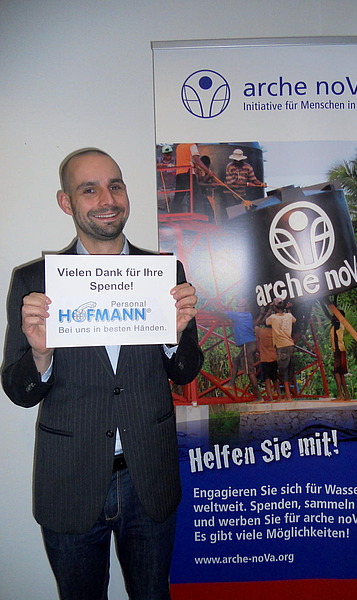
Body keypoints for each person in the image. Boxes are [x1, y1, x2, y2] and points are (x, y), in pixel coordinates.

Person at [1, 148, 204, 600]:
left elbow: (186, 371)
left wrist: (174, 338)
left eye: (115, 186)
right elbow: (19, 390)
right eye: (89, 190)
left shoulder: (164, 274)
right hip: (69, 480)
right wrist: (41, 354)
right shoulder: (35, 281)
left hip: (148, 477)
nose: (107, 199)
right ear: (66, 202)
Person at [222, 299, 263, 402]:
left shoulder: (237, 315)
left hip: (246, 344)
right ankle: (231, 383)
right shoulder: (248, 315)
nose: (238, 307)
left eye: (239, 306)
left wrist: (217, 308)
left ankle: (259, 397)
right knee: (236, 361)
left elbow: (222, 313)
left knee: (249, 371)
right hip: (251, 343)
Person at [265, 298, 296, 401]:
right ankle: (288, 395)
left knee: (283, 371)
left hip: (281, 346)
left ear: (274, 307)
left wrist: (270, 309)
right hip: (290, 344)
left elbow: (265, 321)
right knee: (289, 370)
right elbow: (294, 320)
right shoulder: (289, 316)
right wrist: (289, 309)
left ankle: (288, 396)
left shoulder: (273, 318)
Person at [254, 306, 279, 402]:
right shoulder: (275, 332)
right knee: (275, 378)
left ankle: (270, 398)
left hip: (265, 358)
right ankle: (280, 397)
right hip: (274, 357)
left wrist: (264, 313)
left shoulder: (261, 331)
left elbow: (256, 324)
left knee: (267, 379)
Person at [330, 309, 350, 400]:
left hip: (339, 350)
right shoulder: (335, 325)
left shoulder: (338, 325)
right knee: (340, 373)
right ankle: (345, 394)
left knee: (338, 373)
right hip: (337, 350)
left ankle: (341, 394)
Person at [156, 144, 176, 212]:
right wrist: (158, 165)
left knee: (174, 206)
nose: (169, 156)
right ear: (163, 154)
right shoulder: (159, 160)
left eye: (170, 154)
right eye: (167, 154)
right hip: (162, 188)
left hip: (173, 188)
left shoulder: (175, 161)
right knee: (159, 206)